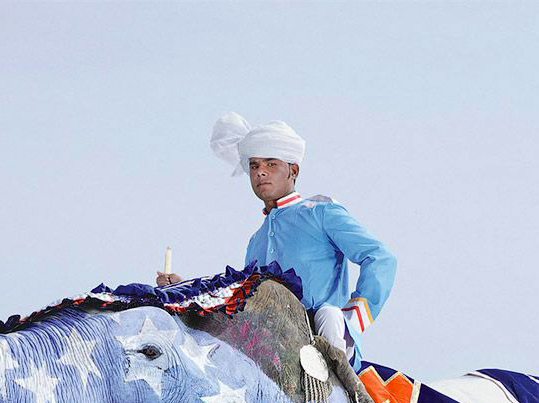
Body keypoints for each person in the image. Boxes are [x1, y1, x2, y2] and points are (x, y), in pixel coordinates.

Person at [159, 113, 395, 356]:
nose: (260, 172)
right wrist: (183, 288)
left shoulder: (322, 213)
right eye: (254, 166)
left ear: (293, 170)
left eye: (271, 164)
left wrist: (352, 321)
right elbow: (240, 301)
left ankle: (340, 386)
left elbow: (381, 258)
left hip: (324, 334)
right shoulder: (255, 241)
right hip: (270, 347)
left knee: (329, 315)